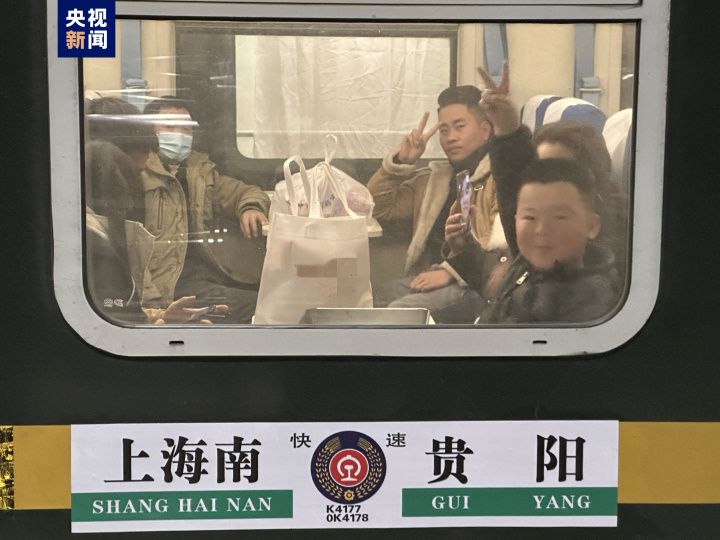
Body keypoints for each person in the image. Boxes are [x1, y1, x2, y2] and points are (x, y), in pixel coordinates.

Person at [367, 84, 507, 308]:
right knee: (369, 297)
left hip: (470, 281)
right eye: (444, 130)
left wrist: (451, 270)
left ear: (485, 131)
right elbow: (377, 207)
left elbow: (500, 247)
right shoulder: (434, 180)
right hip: (428, 274)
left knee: (399, 310)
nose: (451, 137)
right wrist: (403, 161)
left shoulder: (500, 178)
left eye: (459, 127)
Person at [141, 96, 271, 323]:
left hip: (206, 275)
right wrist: (153, 308)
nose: (179, 135)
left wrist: (250, 207)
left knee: (272, 297)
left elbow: (244, 192)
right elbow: (133, 253)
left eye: (187, 129)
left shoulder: (197, 172)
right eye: (169, 127)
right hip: (171, 287)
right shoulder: (138, 174)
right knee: (263, 307)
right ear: (149, 132)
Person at [85, 139, 227, 324]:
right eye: (136, 174)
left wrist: (163, 316)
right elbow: (120, 326)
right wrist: (163, 324)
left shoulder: (100, 236)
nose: (131, 203)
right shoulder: (100, 253)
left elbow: (130, 313)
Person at [474, 158, 621, 323]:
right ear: (515, 221)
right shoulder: (524, 265)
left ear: (592, 226)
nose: (541, 230)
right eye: (530, 217)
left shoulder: (594, 311)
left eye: (559, 217)